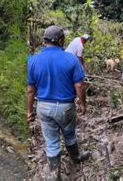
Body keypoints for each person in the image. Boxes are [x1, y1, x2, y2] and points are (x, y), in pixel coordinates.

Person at [27, 26, 91, 179]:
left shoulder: (33, 61)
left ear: (45, 41)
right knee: (69, 135)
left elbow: (30, 90)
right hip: (66, 107)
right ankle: (75, 158)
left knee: (51, 141)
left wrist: (29, 111)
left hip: (44, 107)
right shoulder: (71, 59)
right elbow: (79, 86)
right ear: (61, 40)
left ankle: (55, 174)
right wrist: (83, 104)